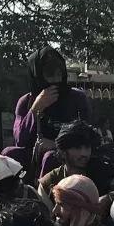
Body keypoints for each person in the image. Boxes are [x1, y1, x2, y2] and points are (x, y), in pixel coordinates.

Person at [13, 47, 92, 176]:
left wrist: (56, 144)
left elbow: (86, 137)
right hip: (33, 155)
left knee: (50, 158)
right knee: (9, 153)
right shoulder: (26, 101)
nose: (56, 80)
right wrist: (36, 109)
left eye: (59, 74)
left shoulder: (77, 99)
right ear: (37, 76)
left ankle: (44, 194)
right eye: (50, 75)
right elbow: (19, 140)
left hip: (66, 155)